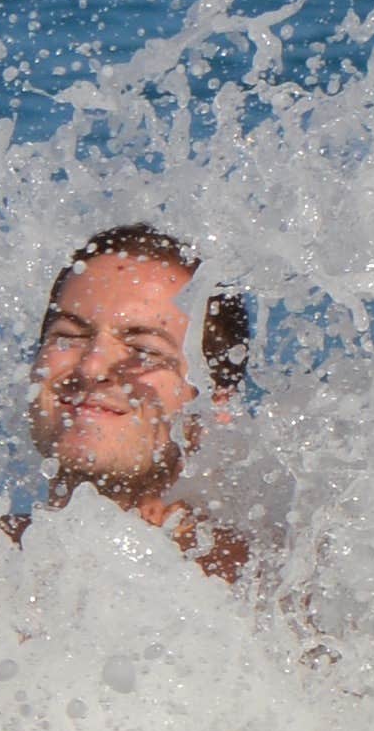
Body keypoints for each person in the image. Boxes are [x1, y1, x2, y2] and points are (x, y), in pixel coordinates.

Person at [20, 222, 254, 578]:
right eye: (69, 336)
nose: (92, 366)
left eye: (144, 351)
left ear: (214, 406)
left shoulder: (251, 589)